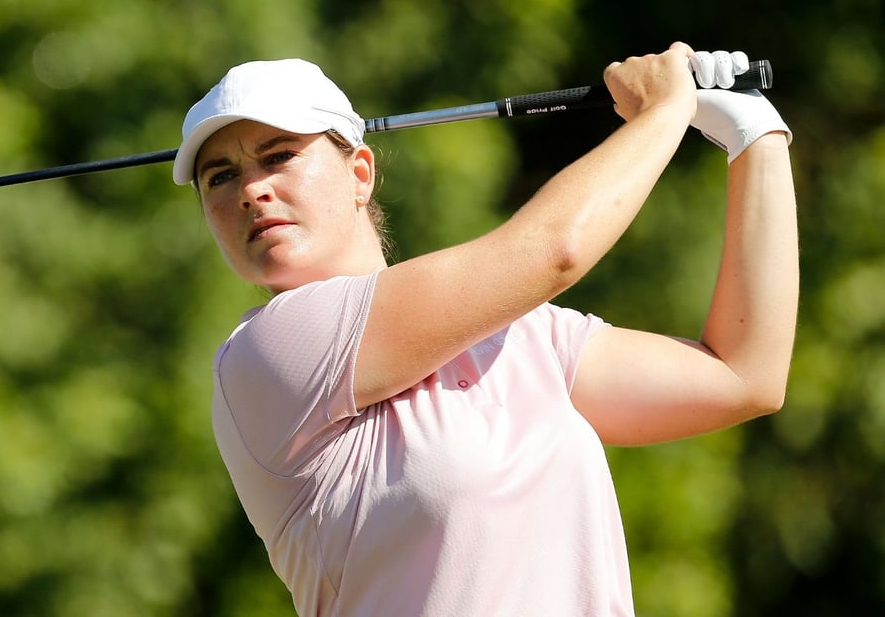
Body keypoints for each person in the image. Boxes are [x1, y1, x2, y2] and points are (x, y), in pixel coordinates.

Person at [172, 42, 798, 616]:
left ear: (360, 173)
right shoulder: (267, 353)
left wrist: (756, 136)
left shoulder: (526, 338)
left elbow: (744, 374)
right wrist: (665, 111)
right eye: (220, 177)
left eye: (279, 156)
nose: (252, 191)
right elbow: (557, 250)